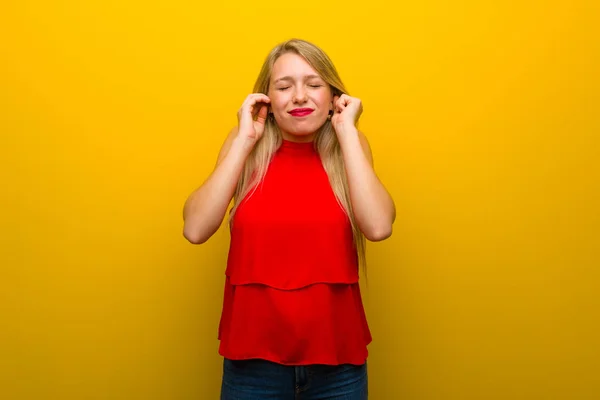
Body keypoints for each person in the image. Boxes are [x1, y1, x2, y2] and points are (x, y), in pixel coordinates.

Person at [182, 38, 396, 399]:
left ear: (334, 97)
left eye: (313, 85)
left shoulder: (351, 144)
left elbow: (378, 227)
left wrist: (345, 131)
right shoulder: (243, 143)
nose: (299, 96)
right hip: (252, 362)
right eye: (284, 86)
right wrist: (244, 141)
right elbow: (195, 228)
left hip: (338, 361)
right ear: (265, 98)